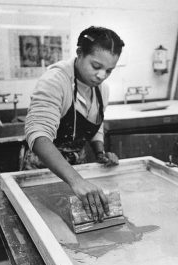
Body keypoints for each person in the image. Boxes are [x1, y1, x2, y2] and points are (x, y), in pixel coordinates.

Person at [24, 26, 124, 222]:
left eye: (109, 70)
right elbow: (38, 136)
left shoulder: (102, 90)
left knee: (74, 227)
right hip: (43, 170)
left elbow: (95, 124)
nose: (101, 75)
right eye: (96, 66)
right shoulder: (55, 81)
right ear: (79, 53)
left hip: (77, 168)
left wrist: (100, 153)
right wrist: (76, 180)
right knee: (47, 224)